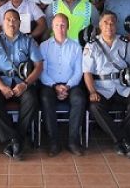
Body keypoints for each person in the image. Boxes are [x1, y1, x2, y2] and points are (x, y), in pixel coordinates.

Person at [0, 9, 43, 160]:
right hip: (0, 82)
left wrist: (25, 84)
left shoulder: (28, 41)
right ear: (3, 23)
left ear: (20, 23)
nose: (11, 22)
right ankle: (15, 139)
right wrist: (2, 87)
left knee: (31, 99)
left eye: (15, 20)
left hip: (21, 82)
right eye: (8, 19)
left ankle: (15, 140)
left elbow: (38, 66)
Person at [83, 12, 130, 158]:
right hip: (102, 88)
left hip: (123, 86)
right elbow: (87, 73)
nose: (109, 26)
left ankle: (122, 139)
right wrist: (92, 91)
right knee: (95, 107)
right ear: (99, 26)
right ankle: (123, 140)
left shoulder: (124, 42)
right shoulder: (91, 46)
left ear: (116, 25)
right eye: (105, 23)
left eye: (112, 23)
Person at [39, 14, 85, 156]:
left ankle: (73, 141)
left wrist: (67, 86)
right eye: (57, 25)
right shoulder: (44, 46)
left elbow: (79, 71)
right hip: (49, 84)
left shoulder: (76, 47)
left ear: (68, 27)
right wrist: (55, 86)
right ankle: (54, 142)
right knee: (46, 99)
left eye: (63, 25)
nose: (60, 28)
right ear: (52, 27)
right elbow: (42, 72)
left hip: (71, 84)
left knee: (79, 99)